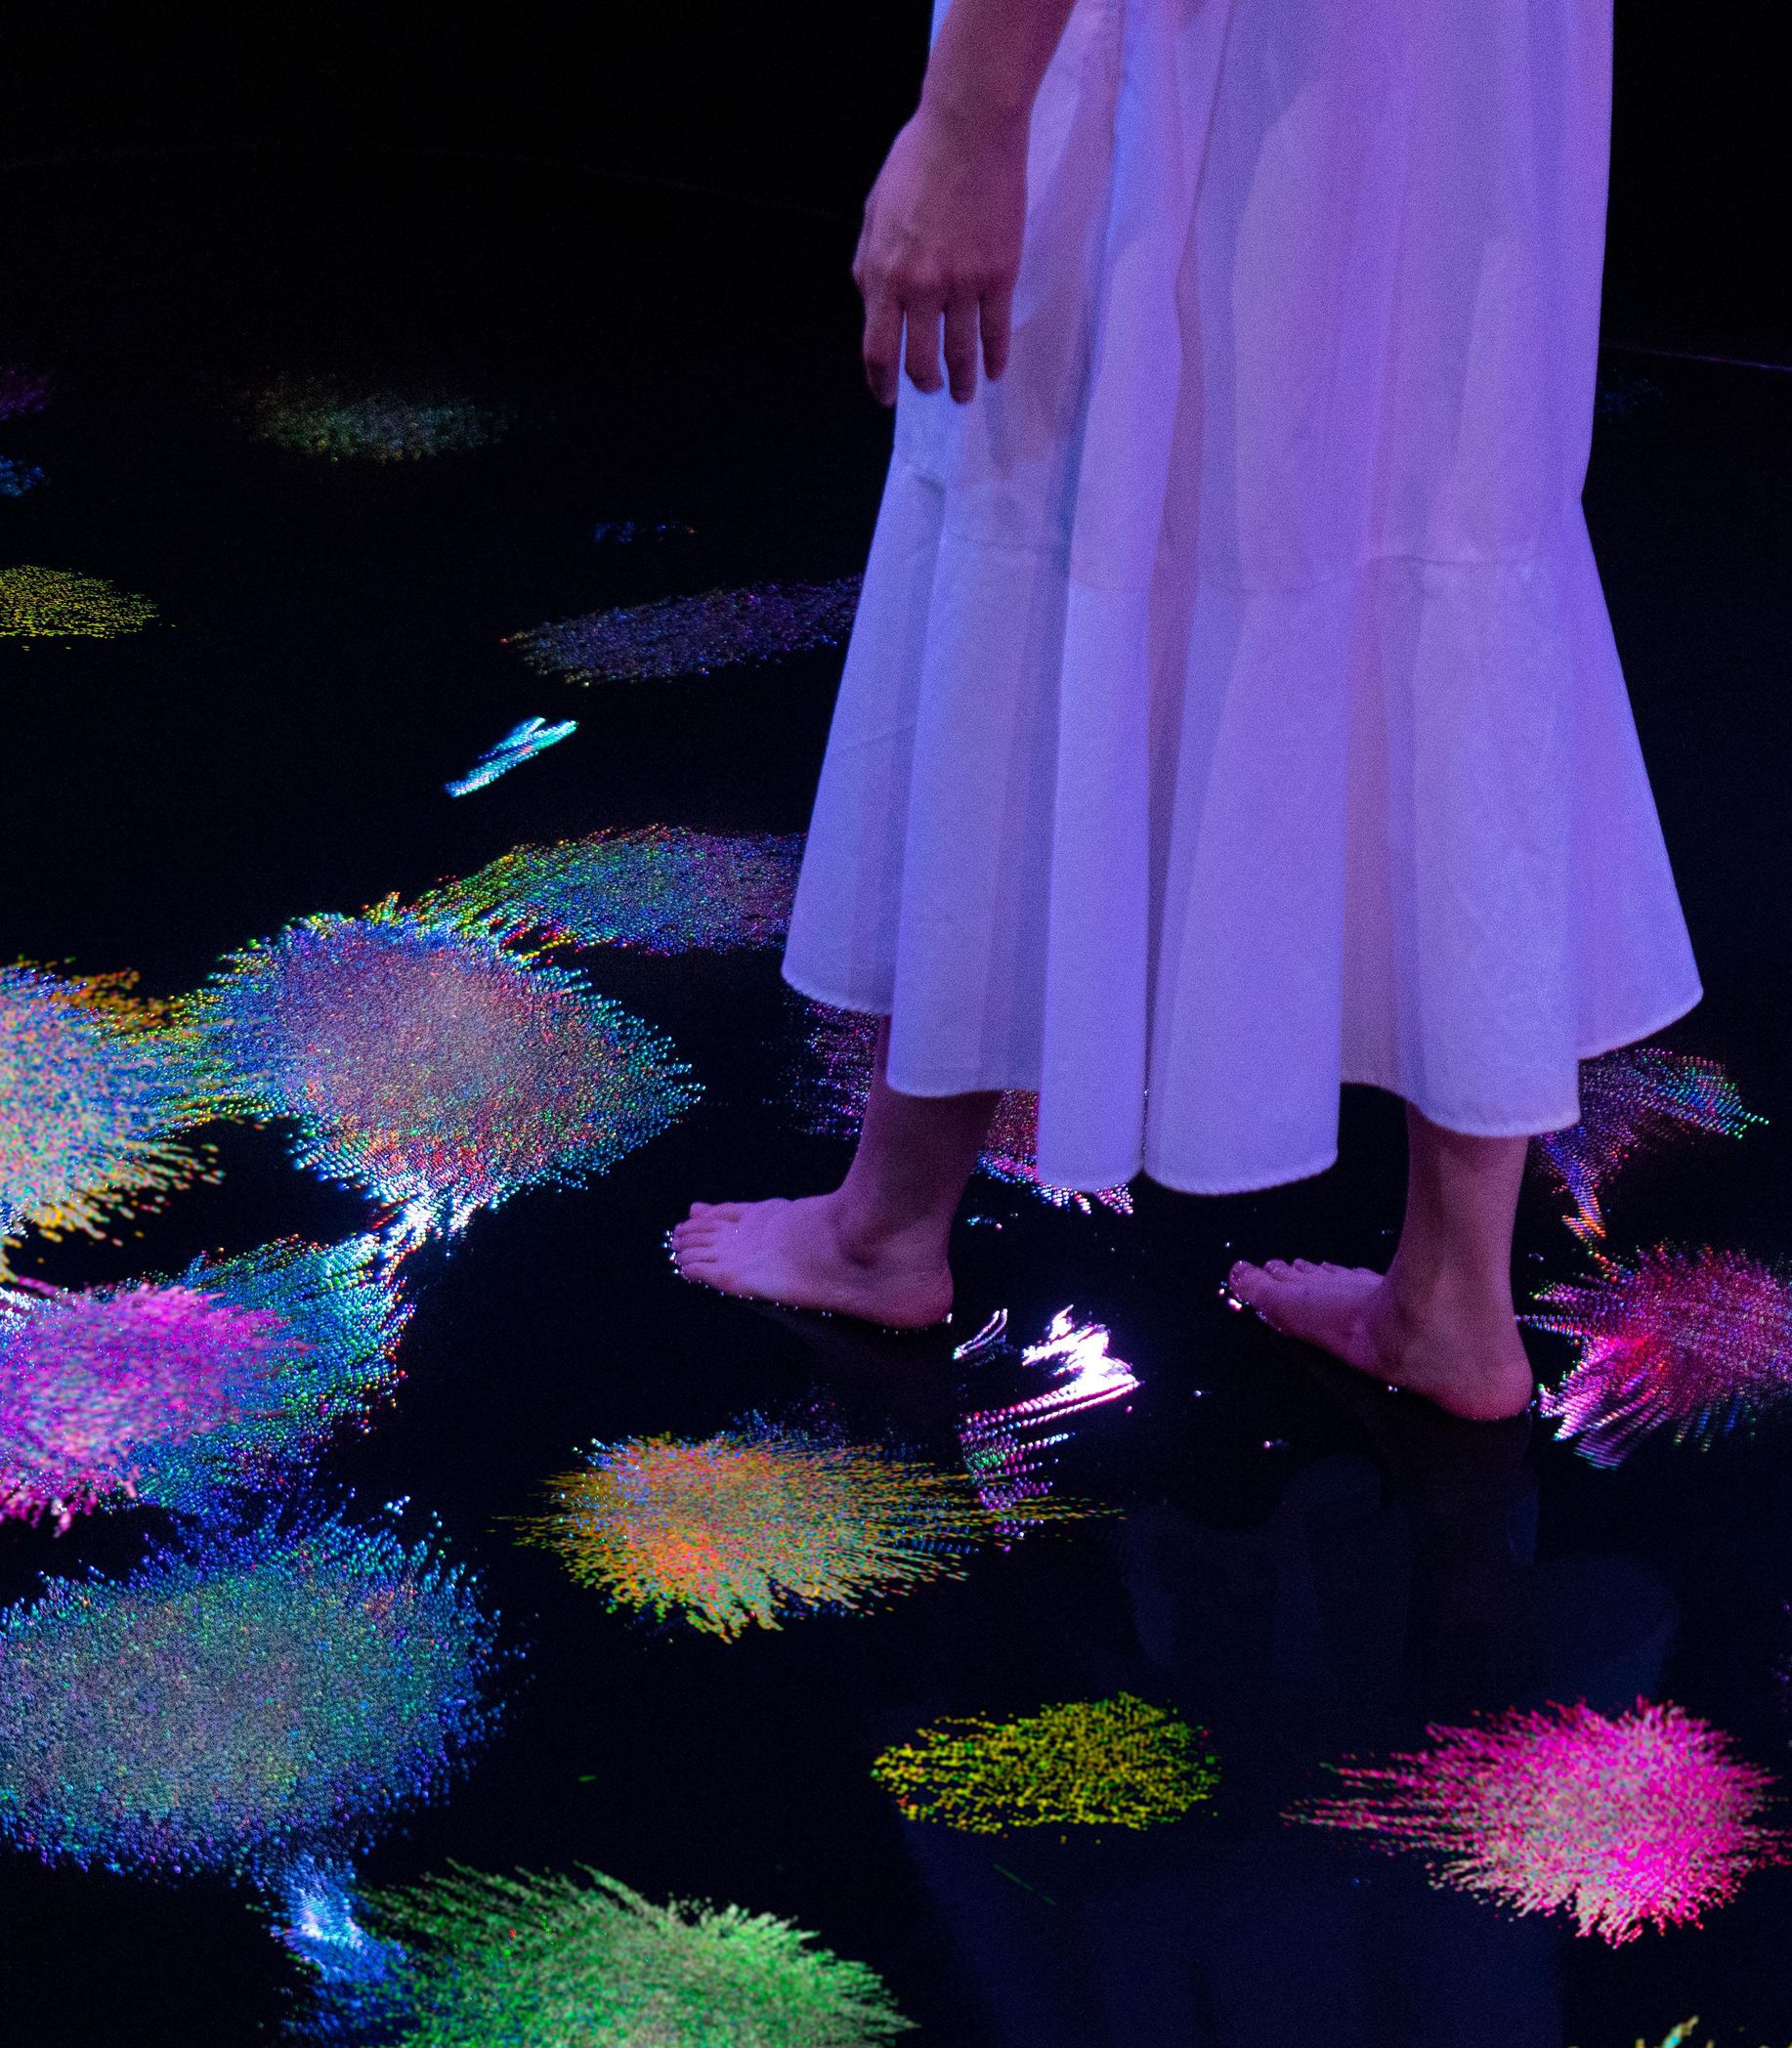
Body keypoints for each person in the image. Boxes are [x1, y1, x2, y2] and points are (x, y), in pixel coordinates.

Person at [670, 0, 1697, 1423]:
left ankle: (885, 1225)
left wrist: (968, 122)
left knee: (1065, 502)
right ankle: (1453, 1298)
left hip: (1226, 56)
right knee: (1451, 532)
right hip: (1474, 69)